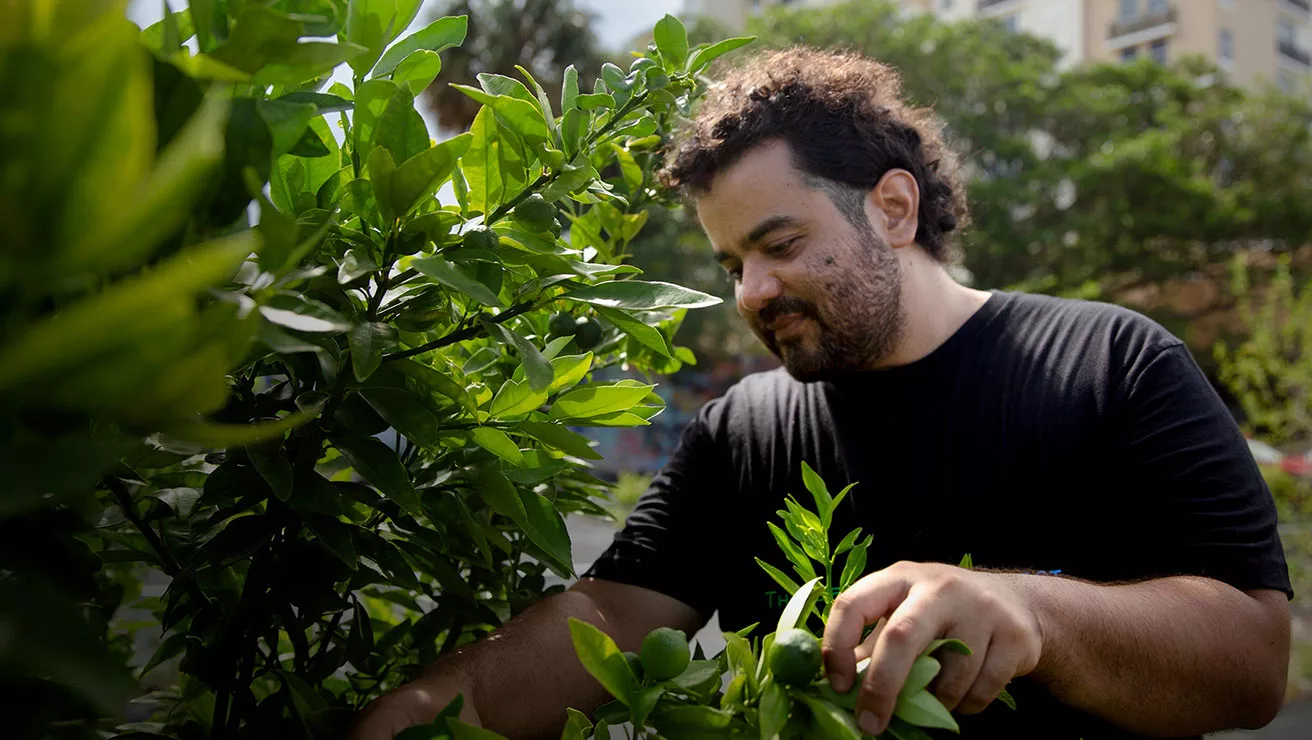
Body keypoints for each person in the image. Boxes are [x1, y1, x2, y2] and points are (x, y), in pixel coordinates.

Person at [349, 47, 1292, 740]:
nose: (750, 291)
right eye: (731, 262)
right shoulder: (741, 431)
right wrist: (409, 720)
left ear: (891, 207)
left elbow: (1252, 663)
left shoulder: (1112, 361)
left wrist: (1032, 615)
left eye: (781, 245)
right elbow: (605, 620)